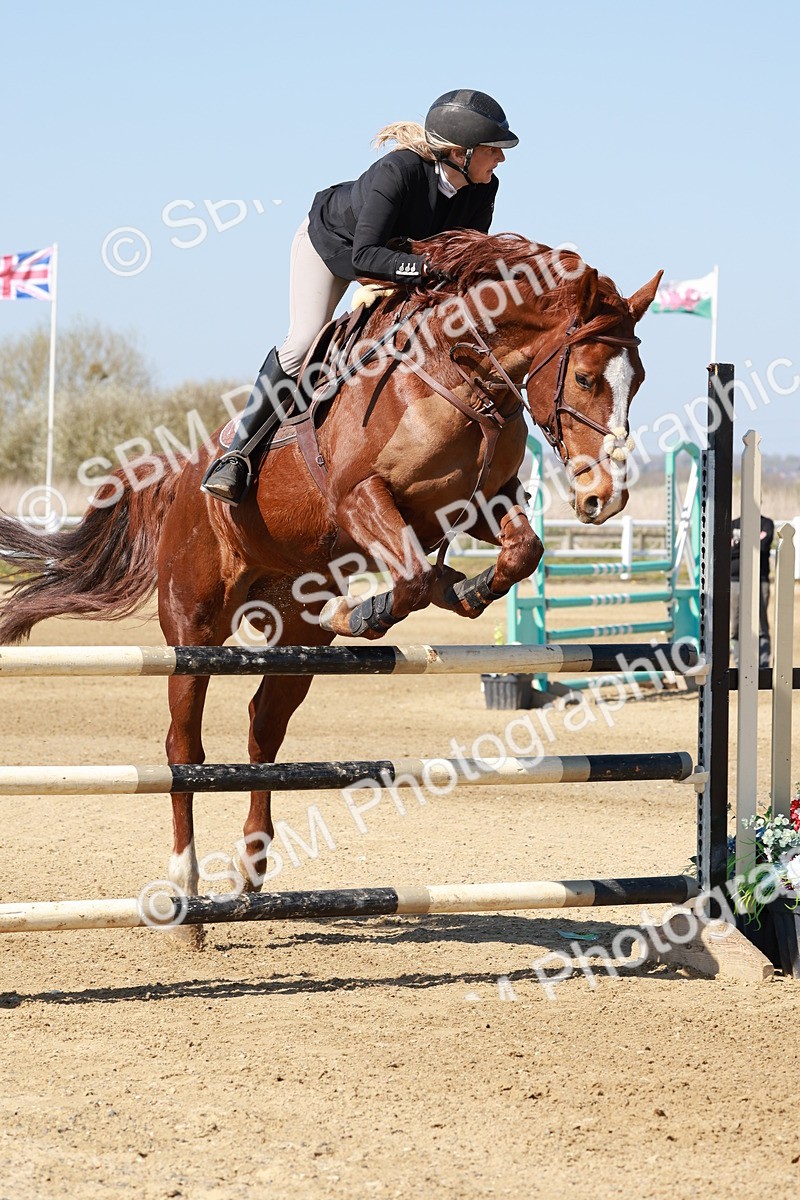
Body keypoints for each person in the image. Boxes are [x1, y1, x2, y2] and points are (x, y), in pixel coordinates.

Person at [201, 89, 519, 505]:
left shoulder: (483, 188)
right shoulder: (398, 171)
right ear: (462, 152)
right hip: (335, 247)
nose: (501, 159)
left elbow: (464, 254)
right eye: (493, 150)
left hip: (401, 261)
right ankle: (236, 456)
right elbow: (365, 256)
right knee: (303, 341)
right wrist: (423, 270)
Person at [730, 514, 774, 668]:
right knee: (735, 625)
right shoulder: (733, 524)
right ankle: (739, 662)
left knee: (761, 623)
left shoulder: (766, 523)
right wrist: (752, 542)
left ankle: (763, 664)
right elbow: (726, 551)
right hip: (735, 581)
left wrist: (737, 544)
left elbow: (763, 547)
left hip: (759, 580)